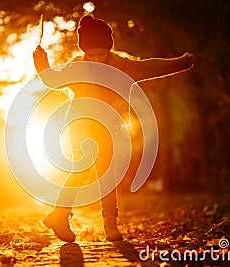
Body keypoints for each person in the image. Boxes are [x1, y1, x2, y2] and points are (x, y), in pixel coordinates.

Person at [33, 15, 194, 243]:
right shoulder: (78, 66)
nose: (97, 58)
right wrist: (42, 65)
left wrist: (182, 62)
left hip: (109, 126)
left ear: (109, 48)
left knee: (107, 174)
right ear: (84, 51)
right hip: (80, 124)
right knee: (85, 167)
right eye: (92, 54)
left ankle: (91, 220)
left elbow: (151, 67)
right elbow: (53, 80)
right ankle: (70, 217)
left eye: (102, 53)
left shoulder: (122, 65)